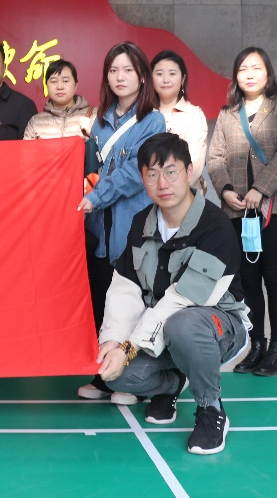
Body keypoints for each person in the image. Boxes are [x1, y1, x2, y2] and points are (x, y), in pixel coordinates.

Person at [93, 132, 249, 455]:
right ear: (142, 179)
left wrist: (129, 347)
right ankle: (175, 382)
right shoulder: (141, 223)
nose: (162, 183)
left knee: (183, 324)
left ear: (190, 172)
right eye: (151, 174)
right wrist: (112, 341)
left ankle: (211, 409)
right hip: (160, 329)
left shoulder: (215, 226)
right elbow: (125, 287)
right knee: (117, 378)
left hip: (217, 327)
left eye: (170, 171)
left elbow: (183, 299)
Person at [76, 41, 165, 402]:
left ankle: (131, 379)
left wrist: (95, 196)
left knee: (132, 302)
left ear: (142, 76)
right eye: (113, 70)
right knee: (102, 301)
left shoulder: (153, 120)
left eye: (128, 70)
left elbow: (134, 172)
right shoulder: (98, 120)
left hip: (135, 227)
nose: (120, 77)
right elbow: (88, 170)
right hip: (101, 227)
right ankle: (104, 375)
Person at [207, 47, 277, 377]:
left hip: (272, 208)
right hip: (237, 210)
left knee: (273, 276)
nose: (249, 74)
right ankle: (256, 345)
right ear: (236, 76)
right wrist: (226, 191)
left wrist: (261, 189)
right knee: (247, 280)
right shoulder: (227, 114)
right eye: (243, 68)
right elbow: (215, 158)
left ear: (268, 73)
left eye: (256, 68)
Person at [150, 50, 208, 192]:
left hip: (184, 198)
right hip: (147, 197)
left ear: (183, 79)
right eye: (159, 74)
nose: (165, 80)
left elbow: (194, 167)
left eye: (172, 73)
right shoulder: (143, 115)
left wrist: (167, 192)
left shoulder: (194, 115)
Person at [22, 59, 95, 141]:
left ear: (75, 85)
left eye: (65, 81)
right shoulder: (36, 122)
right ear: (46, 86)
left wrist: (93, 132)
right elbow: (26, 149)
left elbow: (105, 147)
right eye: (54, 81)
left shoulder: (95, 115)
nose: (59, 87)